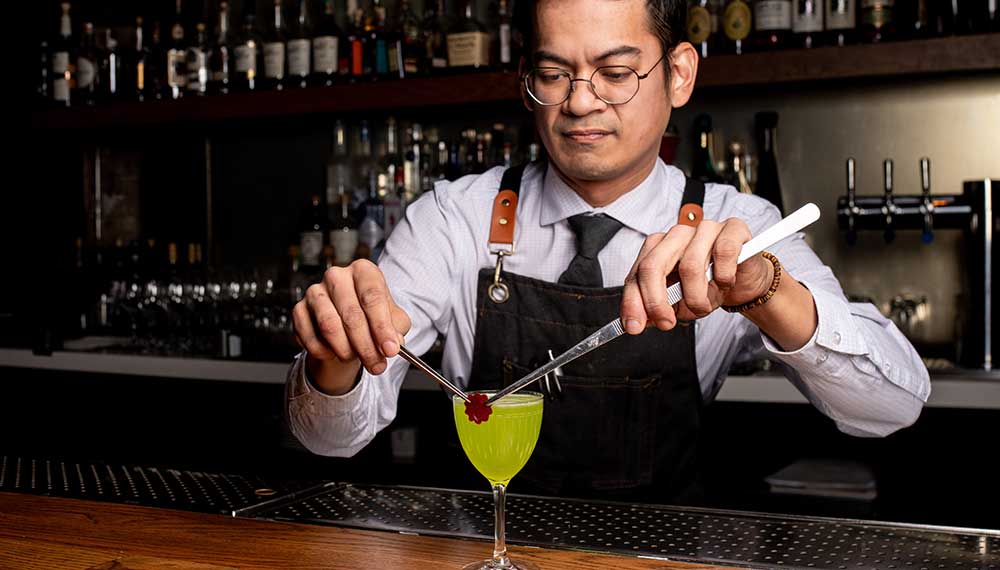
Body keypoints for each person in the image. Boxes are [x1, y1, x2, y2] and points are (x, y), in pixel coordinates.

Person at [284, 0, 929, 503]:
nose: (580, 101)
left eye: (615, 73)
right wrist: (336, 358)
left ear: (679, 74)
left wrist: (767, 291)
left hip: (661, 556)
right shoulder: (455, 219)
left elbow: (895, 407)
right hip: (486, 552)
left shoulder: (738, 224)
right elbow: (330, 439)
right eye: (552, 74)